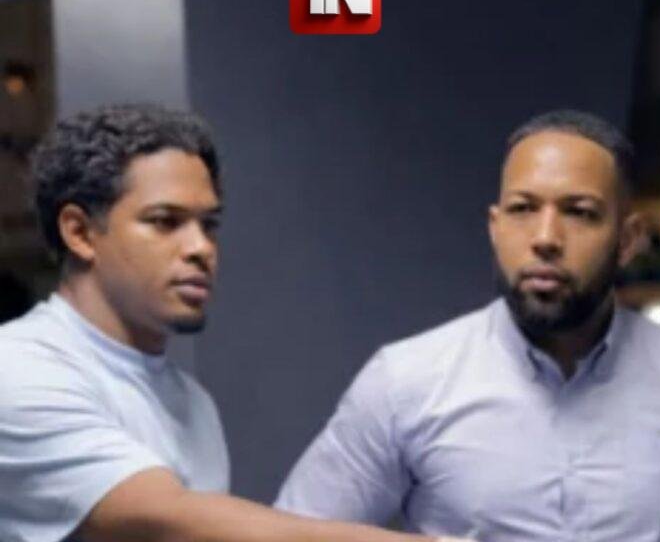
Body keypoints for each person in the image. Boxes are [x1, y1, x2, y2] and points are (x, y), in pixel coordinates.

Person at [275, 109, 660, 541]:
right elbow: (293, 536)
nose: (546, 237)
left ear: (628, 239)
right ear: (495, 228)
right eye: (523, 209)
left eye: (579, 213)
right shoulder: (405, 383)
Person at [0, 104, 472, 542]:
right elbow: (165, 520)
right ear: (80, 232)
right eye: (165, 221)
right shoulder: (17, 368)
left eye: (209, 225)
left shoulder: (191, 402)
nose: (201, 248)